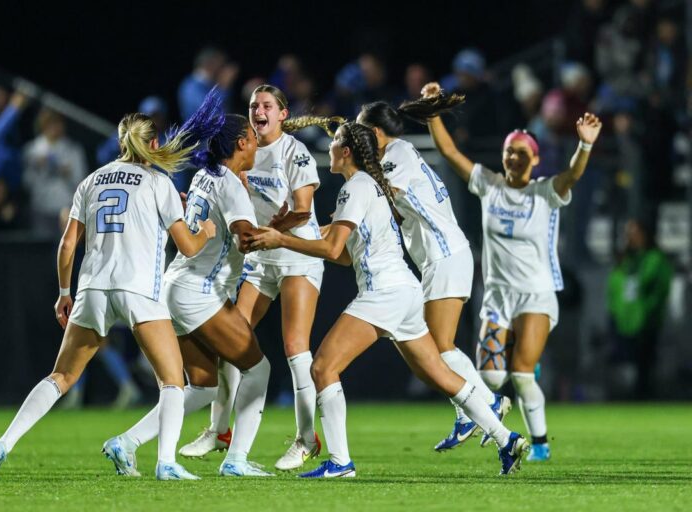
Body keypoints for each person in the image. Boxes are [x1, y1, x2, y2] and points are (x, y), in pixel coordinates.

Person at [247, 122, 528, 477]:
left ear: (346, 151)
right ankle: (507, 439)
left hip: (384, 292)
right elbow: (345, 255)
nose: (330, 147)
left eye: (335, 142)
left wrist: (282, 240)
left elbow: (333, 247)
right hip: (405, 291)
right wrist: (303, 240)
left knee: (322, 367)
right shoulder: (372, 187)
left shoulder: (356, 188)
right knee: (441, 375)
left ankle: (339, 462)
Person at [0, 112, 217, 481]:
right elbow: (187, 247)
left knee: (60, 376)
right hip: (137, 289)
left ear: (121, 142)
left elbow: (67, 244)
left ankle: (3, 443)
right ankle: (166, 463)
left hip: (92, 289)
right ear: (153, 144)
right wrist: (205, 230)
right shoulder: (159, 181)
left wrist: (63, 292)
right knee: (173, 382)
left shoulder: (90, 181)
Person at [102, 91, 310, 477]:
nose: (255, 144)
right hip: (199, 292)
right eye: (249, 136)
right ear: (242, 144)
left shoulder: (204, 175)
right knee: (258, 369)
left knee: (201, 387)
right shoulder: (231, 184)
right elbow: (245, 239)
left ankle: (126, 442)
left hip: (174, 286)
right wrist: (278, 229)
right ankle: (236, 460)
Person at [423, 81, 603, 462]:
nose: (514, 158)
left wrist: (584, 144)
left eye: (521, 153)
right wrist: (432, 113)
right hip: (497, 296)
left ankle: (539, 443)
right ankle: (495, 419)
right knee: (490, 380)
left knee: (521, 374)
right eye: (509, 152)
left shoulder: (544, 192)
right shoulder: (490, 186)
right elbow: (450, 151)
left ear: (535, 159)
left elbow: (571, 176)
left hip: (536, 294)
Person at [179, 84, 342, 472]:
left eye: (267, 105)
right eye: (254, 105)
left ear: (282, 114)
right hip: (260, 255)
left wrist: (270, 230)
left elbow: (303, 210)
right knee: (233, 342)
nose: (259, 110)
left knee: (294, 348)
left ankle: (306, 439)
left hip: (295, 254)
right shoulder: (243, 151)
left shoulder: (293, 152)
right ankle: (220, 431)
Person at [356, 97, 511, 451]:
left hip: (445, 255)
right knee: (435, 349)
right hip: (441, 257)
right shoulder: (397, 153)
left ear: (376, 132)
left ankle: (486, 403)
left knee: (438, 348)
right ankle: (472, 410)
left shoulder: (397, 154)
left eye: (361, 131)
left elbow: (382, 191)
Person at [607, 218, 673, 399]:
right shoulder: (624, 261)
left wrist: (650, 311)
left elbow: (657, 288)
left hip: (645, 320)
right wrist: (615, 311)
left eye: (634, 233)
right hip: (624, 320)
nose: (630, 238)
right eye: (628, 234)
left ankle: (645, 397)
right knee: (623, 364)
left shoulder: (654, 259)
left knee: (644, 365)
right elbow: (615, 287)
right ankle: (624, 398)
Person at [23, 108, 87, 236]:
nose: (53, 127)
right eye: (49, 123)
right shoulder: (32, 150)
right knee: (41, 249)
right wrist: (37, 167)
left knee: (64, 251)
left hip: (65, 209)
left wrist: (67, 174)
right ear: (42, 125)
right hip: (40, 209)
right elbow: (26, 183)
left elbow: (82, 183)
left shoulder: (73, 150)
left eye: (57, 123)